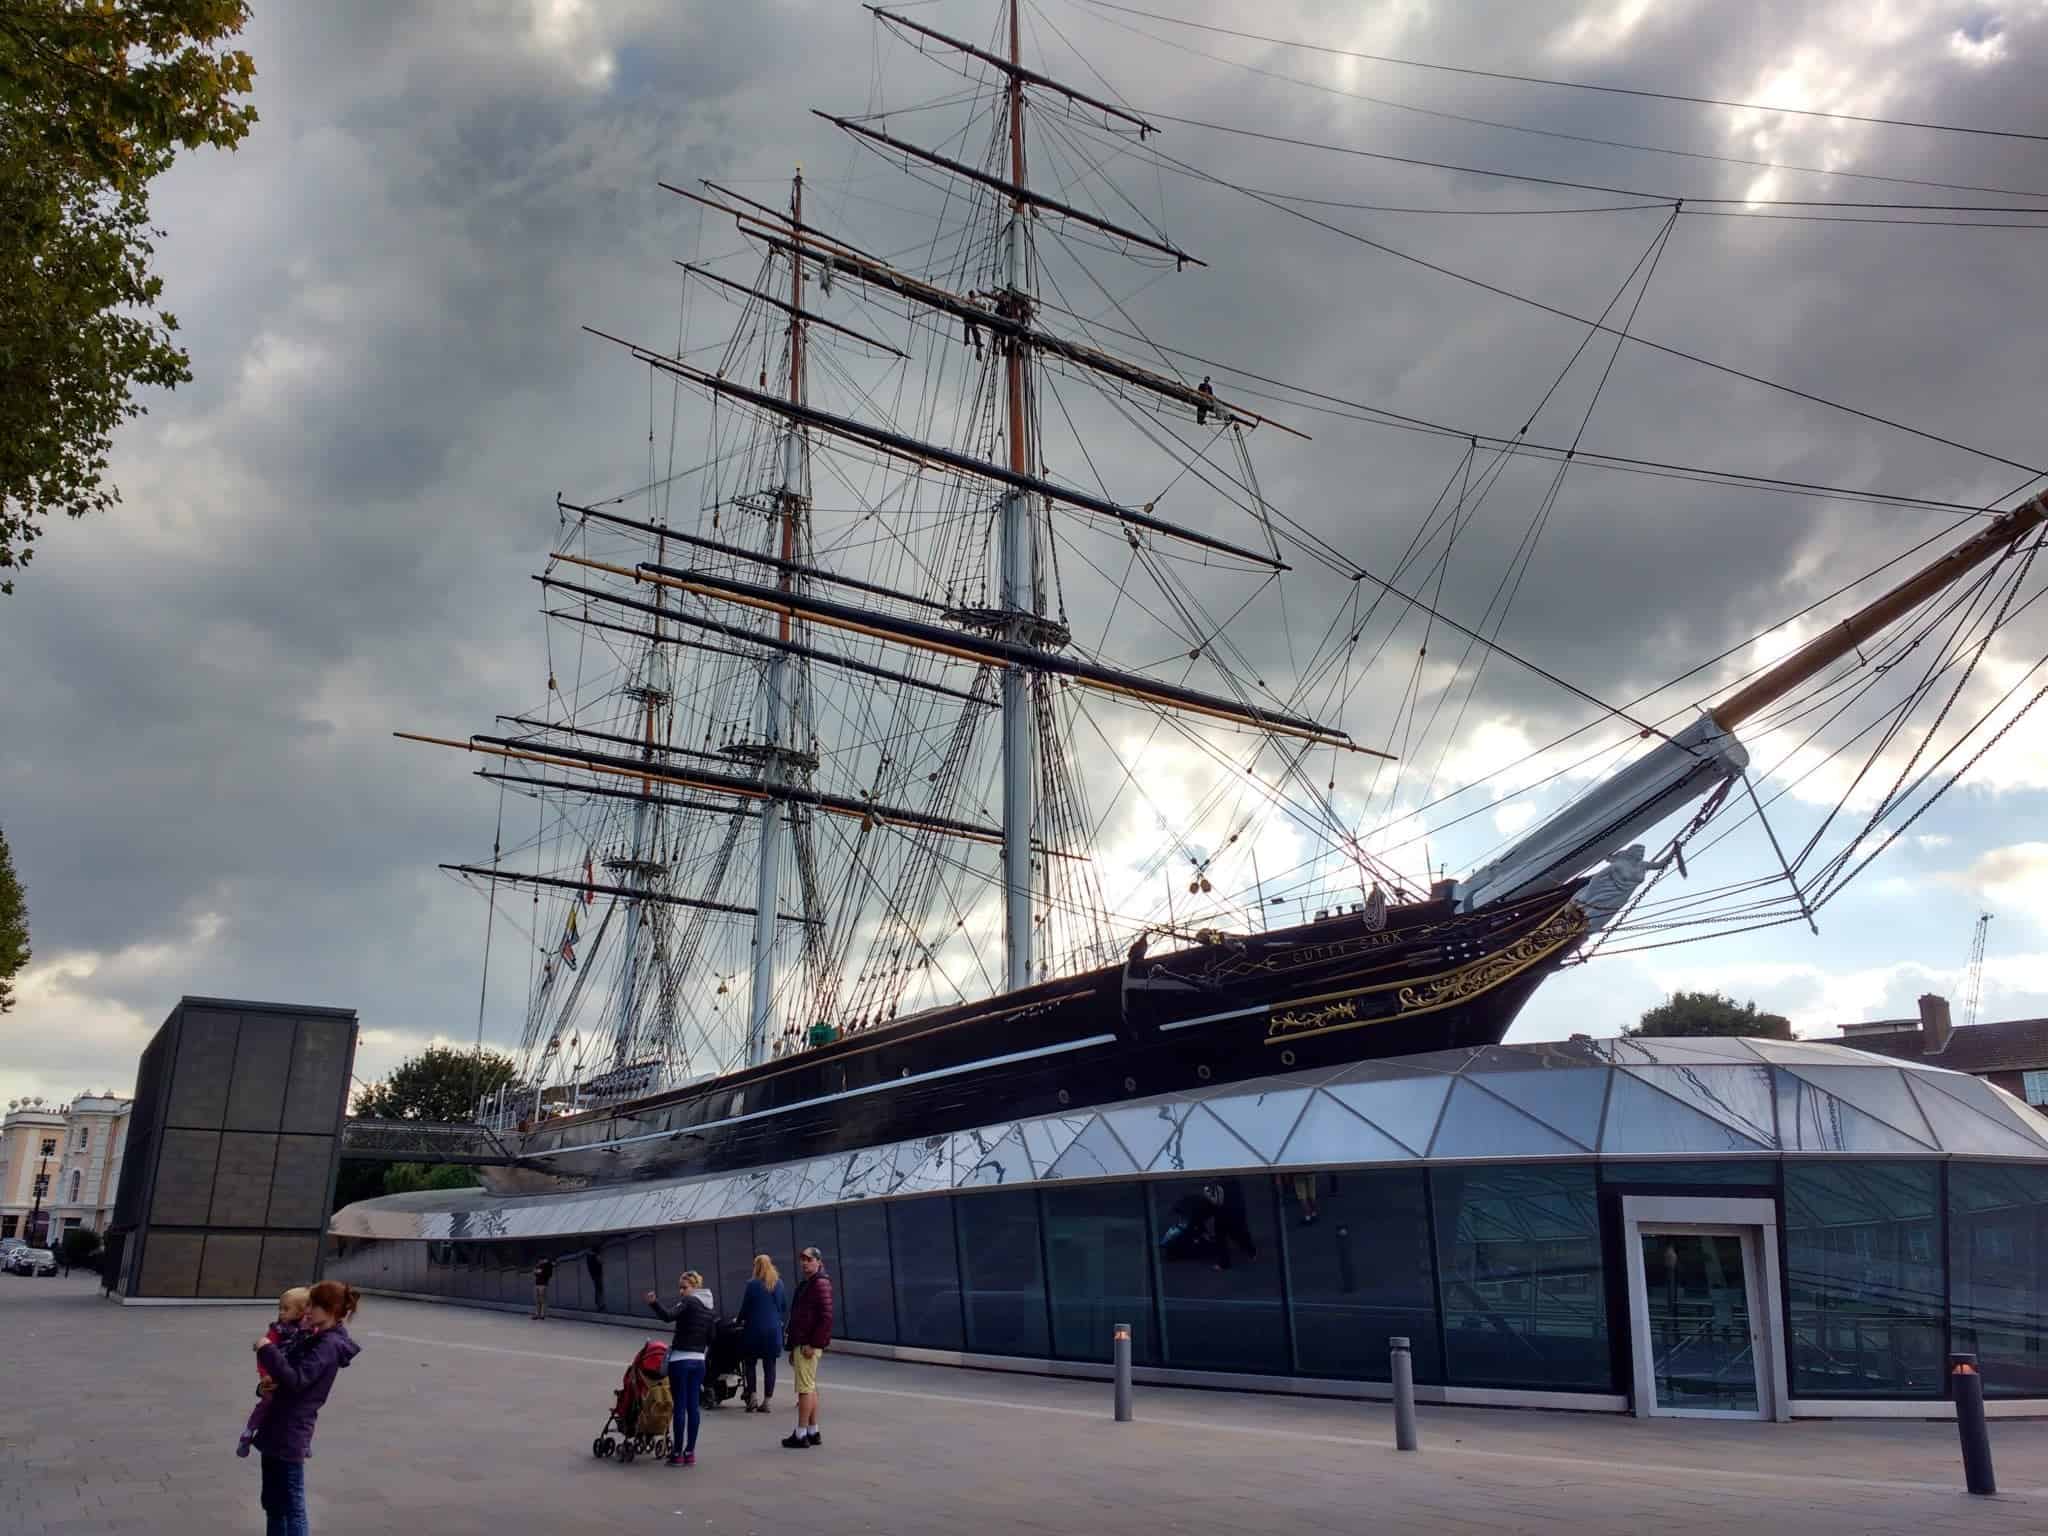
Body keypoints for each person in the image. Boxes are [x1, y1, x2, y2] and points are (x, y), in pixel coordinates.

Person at [251, 1279, 362, 1536]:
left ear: (331, 1310)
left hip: (291, 1431)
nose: (307, 1310)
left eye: (313, 1305)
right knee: (274, 1503)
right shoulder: (311, 1336)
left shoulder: (329, 1345)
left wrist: (267, 1349)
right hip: (276, 1425)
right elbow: (285, 1376)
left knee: (292, 1506)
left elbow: (297, 1380)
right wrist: (264, 1386)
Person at [646, 1270, 715, 1467]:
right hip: (699, 1361)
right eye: (681, 1288)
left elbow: (668, 1316)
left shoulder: (689, 1302)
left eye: (684, 1287)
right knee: (694, 1407)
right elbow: (712, 1337)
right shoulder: (709, 1306)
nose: (681, 1291)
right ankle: (690, 1452)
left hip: (681, 1360)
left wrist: (654, 1303)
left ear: (694, 1287)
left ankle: (677, 1453)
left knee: (680, 1407)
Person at [239, 1286, 311, 1457]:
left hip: (292, 1377)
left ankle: (304, 1443)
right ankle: (248, 1433)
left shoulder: (308, 1330)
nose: (281, 1313)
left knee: (303, 1412)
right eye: (280, 1308)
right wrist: (264, 1375)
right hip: (273, 1377)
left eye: (286, 1309)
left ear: (301, 1311)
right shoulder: (276, 1330)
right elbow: (263, 1354)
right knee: (265, 1404)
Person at [782, 1246, 833, 1450]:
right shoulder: (810, 1283)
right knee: (810, 1387)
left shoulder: (818, 1284)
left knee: (804, 1389)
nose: (804, 1263)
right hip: (803, 1343)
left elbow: (826, 1317)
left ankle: (800, 1433)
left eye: (809, 1259)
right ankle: (813, 1431)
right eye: (802, 1259)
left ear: (818, 1261)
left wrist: (813, 1343)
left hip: (807, 1345)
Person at [735, 1254, 788, 1413]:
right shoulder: (778, 1283)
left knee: (750, 1364)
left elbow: (745, 1308)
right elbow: (783, 1307)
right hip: (773, 1331)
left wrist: (738, 1321)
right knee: (769, 1366)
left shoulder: (752, 1284)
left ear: (756, 1267)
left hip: (754, 1330)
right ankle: (767, 1401)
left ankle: (752, 1397)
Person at [532, 1255, 554, 1320]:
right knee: (537, 1300)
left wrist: (539, 1272)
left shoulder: (548, 1266)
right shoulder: (539, 1265)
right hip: (537, 1284)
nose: (540, 1261)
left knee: (542, 1300)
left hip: (543, 1284)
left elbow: (543, 1273)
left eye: (541, 1260)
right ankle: (537, 1314)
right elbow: (535, 1272)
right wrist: (538, 1272)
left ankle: (542, 1315)